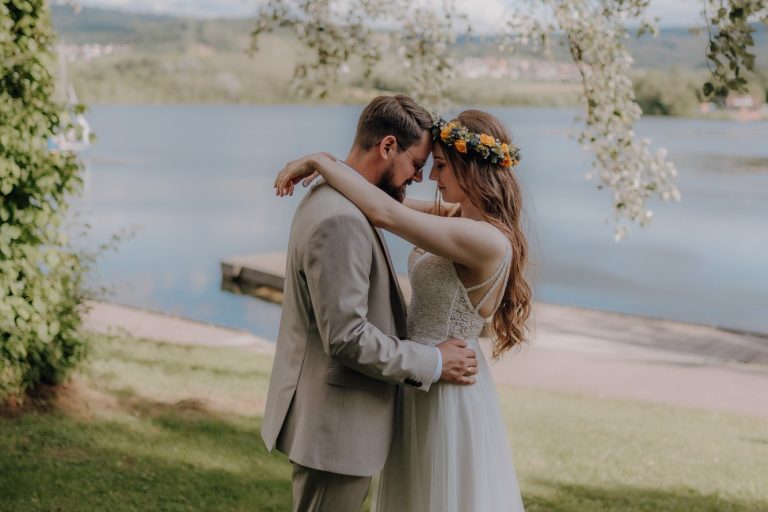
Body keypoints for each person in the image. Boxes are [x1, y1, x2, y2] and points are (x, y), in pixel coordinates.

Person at [275, 108, 531, 511]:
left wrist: (322, 161)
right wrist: (343, 174)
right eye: (425, 164)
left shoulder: (487, 241)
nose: (430, 176)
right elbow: (385, 199)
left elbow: (385, 213)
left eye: (441, 166)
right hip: (420, 378)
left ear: (470, 169)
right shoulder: (455, 216)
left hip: (446, 385)